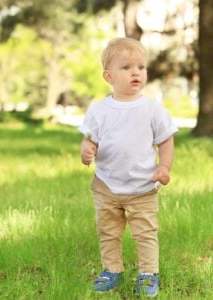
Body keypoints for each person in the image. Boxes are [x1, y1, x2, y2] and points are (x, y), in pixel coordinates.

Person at [78, 37, 178, 297]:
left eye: (141, 67)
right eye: (126, 67)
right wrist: (87, 151)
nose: (136, 72)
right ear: (108, 76)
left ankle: (148, 274)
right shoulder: (99, 111)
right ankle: (112, 270)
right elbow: (89, 140)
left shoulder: (152, 110)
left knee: (145, 233)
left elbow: (165, 139)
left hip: (143, 187)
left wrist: (165, 166)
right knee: (108, 232)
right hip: (107, 186)